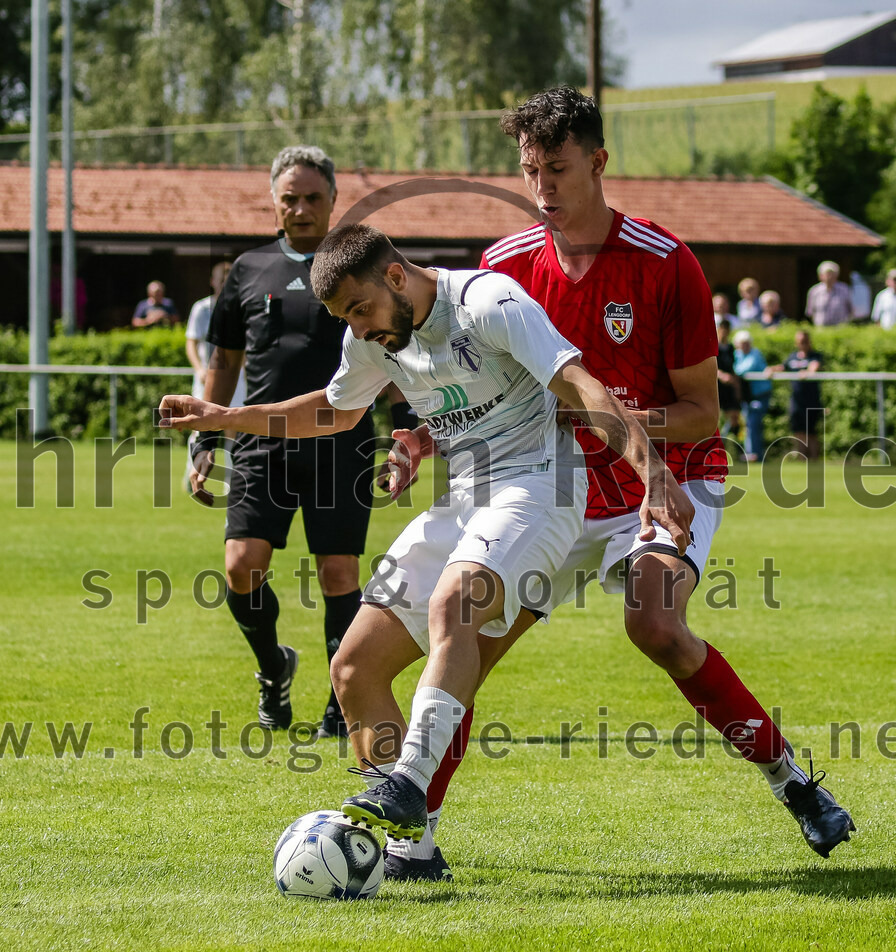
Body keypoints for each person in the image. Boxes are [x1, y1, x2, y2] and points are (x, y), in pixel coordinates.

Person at [383, 86, 854, 875]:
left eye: (558, 170)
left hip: (669, 478)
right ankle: (416, 835)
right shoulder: (505, 267)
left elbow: (703, 413)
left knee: (656, 626)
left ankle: (792, 780)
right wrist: (427, 435)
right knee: (470, 641)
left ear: (599, 163)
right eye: (531, 172)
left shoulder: (668, 265)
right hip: (553, 487)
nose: (543, 190)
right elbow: (488, 396)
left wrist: (612, 423)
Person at [159, 221, 694, 855]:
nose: (358, 329)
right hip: (465, 498)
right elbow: (335, 409)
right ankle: (407, 852)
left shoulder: (488, 302)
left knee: (453, 602)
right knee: (353, 667)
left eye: (360, 310)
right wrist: (226, 416)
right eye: (345, 319)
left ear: (394, 276)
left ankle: (409, 787)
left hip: (541, 488)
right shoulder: (370, 337)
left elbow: (581, 386)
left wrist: (653, 472)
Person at [187, 145, 377, 739]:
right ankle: (274, 668)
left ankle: (342, 701)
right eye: (289, 198)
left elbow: (395, 352)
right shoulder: (247, 270)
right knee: (242, 566)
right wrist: (204, 440)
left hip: (342, 442)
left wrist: (403, 434)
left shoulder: (363, 264)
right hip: (261, 443)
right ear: (274, 201)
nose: (300, 209)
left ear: (333, 201)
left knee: (339, 573)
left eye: (312, 198)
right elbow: (223, 360)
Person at [183, 261, 245, 490]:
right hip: (206, 379)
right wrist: (199, 369)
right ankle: (193, 475)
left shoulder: (241, 309)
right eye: (221, 281)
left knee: (234, 428)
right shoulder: (202, 309)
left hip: (235, 379)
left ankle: (233, 480)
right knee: (200, 425)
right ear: (213, 282)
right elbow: (192, 342)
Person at [767, 330, 823, 459]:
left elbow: (815, 366)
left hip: (812, 399)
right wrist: (771, 369)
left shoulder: (814, 356)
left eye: (804, 341)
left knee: (812, 432)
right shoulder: (792, 357)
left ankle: (814, 459)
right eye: (800, 342)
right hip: (796, 400)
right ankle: (802, 458)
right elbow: (782, 367)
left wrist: (808, 372)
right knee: (798, 431)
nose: (802, 344)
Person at [733, 329, 772, 463]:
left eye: (746, 343)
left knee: (754, 423)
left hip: (760, 394)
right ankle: (750, 453)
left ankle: (755, 454)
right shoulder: (737, 354)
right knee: (747, 424)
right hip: (747, 396)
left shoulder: (755, 354)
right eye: (742, 343)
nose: (745, 346)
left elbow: (742, 369)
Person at [715, 318, 742, 452]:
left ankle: (729, 446)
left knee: (734, 418)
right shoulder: (715, 347)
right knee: (716, 419)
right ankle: (717, 446)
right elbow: (712, 367)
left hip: (729, 386)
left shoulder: (730, 348)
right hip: (717, 387)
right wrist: (721, 375)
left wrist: (736, 387)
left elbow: (733, 368)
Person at [805, 261, 852, 327]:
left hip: (841, 330)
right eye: (827, 273)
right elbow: (810, 313)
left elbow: (852, 310)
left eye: (832, 273)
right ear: (820, 276)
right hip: (821, 330)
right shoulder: (814, 291)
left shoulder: (844, 289)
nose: (830, 276)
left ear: (837, 275)